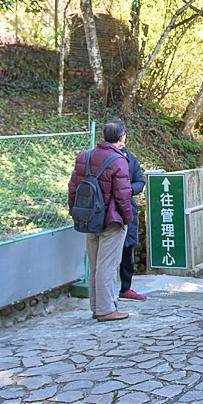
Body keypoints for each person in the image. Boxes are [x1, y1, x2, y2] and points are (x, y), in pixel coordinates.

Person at [68, 120, 134, 322]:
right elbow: (123, 195)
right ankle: (106, 310)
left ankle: (97, 307)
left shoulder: (84, 157)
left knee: (95, 265)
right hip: (111, 220)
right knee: (108, 265)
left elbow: (73, 187)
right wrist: (127, 219)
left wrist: (75, 213)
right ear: (121, 137)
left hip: (89, 218)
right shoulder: (118, 160)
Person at [118, 138, 147, 302]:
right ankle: (104, 295)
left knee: (127, 249)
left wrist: (127, 190)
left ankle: (125, 288)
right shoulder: (100, 157)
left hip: (127, 209)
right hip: (107, 211)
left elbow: (140, 181)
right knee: (106, 256)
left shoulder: (130, 158)